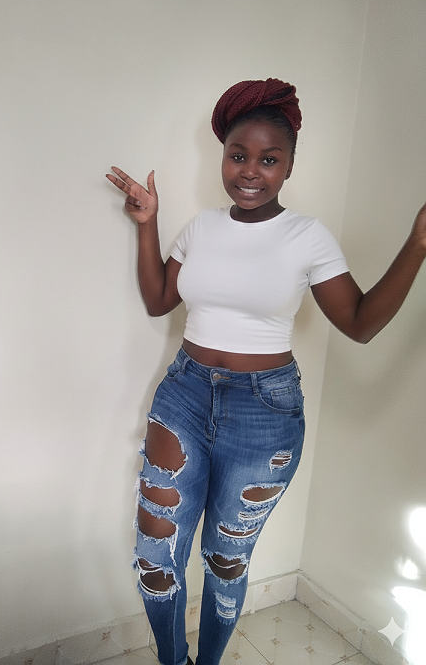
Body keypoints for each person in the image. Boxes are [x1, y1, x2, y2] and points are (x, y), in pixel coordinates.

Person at [106, 78, 426, 665]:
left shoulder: (308, 237)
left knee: (225, 560)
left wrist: (418, 244)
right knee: (156, 556)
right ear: (224, 158)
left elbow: (359, 323)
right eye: (238, 155)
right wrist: (148, 222)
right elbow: (158, 301)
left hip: (264, 411)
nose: (250, 171)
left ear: (289, 167)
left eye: (268, 159)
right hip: (184, 395)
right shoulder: (200, 228)